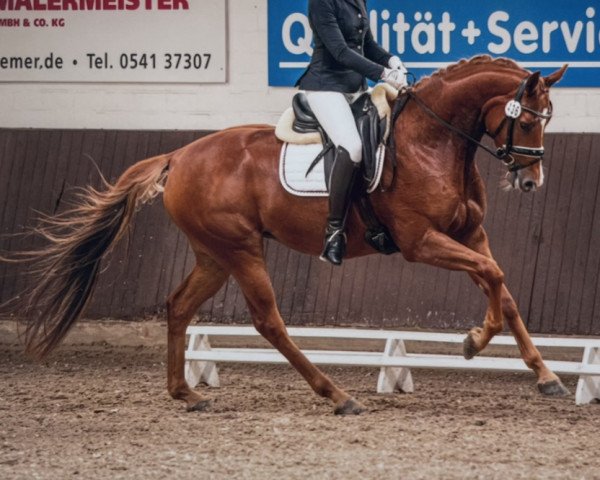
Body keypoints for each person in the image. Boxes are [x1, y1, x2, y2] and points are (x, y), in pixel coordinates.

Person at [296, 0, 407, 266]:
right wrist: (382, 73)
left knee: (382, 138)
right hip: (325, 88)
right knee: (353, 147)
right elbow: (340, 51)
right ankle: (334, 231)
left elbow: (367, 46)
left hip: (355, 89)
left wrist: (391, 59)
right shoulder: (321, 2)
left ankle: (375, 222)